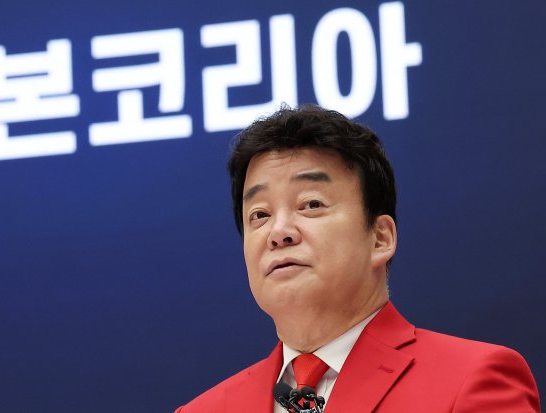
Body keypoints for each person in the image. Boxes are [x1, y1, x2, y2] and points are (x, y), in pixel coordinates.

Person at [175, 105, 540, 412]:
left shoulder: (473, 380)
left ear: (380, 238)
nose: (279, 231)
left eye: (311, 204)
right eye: (259, 215)